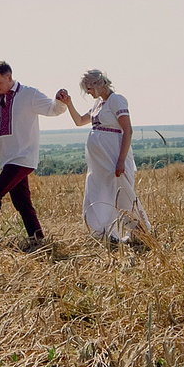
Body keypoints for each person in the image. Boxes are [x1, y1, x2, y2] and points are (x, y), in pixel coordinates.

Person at [0, 61, 67, 243]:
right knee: (22, 202)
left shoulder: (29, 94)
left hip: (24, 157)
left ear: (9, 77)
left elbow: (53, 109)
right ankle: (37, 238)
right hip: (7, 158)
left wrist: (60, 100)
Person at [59, 69, 150, 244]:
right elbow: (79, 121)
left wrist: (121, 160)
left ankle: (141, 234)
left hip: (114, 158)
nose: (87, 92)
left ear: (98, 84)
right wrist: (69, 104)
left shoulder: (116, 100)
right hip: (98, 165)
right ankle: (105, 233)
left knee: (122, 194)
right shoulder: (98, 104)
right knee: (99, 194)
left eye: (88, 87)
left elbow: (128, 130)